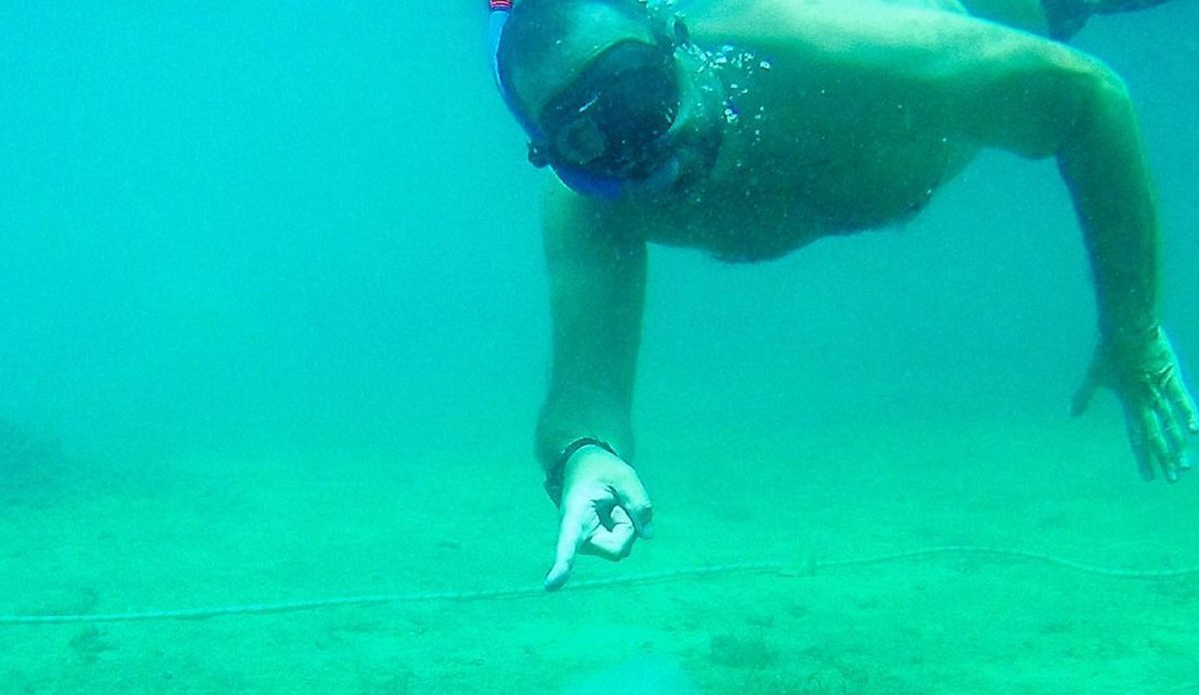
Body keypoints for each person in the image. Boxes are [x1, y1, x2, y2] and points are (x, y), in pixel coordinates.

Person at [489, 0, 1196, 589]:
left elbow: (1088, 99)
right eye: (588, 142)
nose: (647, 153)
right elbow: (584, 393)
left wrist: (1133, 331)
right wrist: (586, 456)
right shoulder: (599, 206)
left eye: (640, 96)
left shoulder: (822, 48)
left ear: (673, 36)